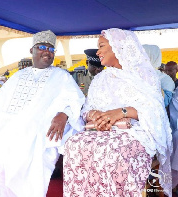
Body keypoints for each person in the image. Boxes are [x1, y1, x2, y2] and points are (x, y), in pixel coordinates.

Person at [63, 28, 172, 196]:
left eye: (101, 46)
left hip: (135, 131)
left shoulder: (144, 75)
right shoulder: (100, 78)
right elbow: (87, 109)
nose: (98, 52)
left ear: (118, 46)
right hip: (101, 130)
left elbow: (156, 111)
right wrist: (94, 114)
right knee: (73, 144)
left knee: (115, 151)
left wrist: (121, 112)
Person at [0, 30, 85, 197]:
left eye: (51, 49)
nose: (47, 52)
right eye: (42, 47)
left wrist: (64, 114)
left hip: (34, 126)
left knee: (17, 154)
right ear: (31, 50)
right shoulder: (18, 75)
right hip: (3, 123)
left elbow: (75, 100)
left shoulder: (61, 76)